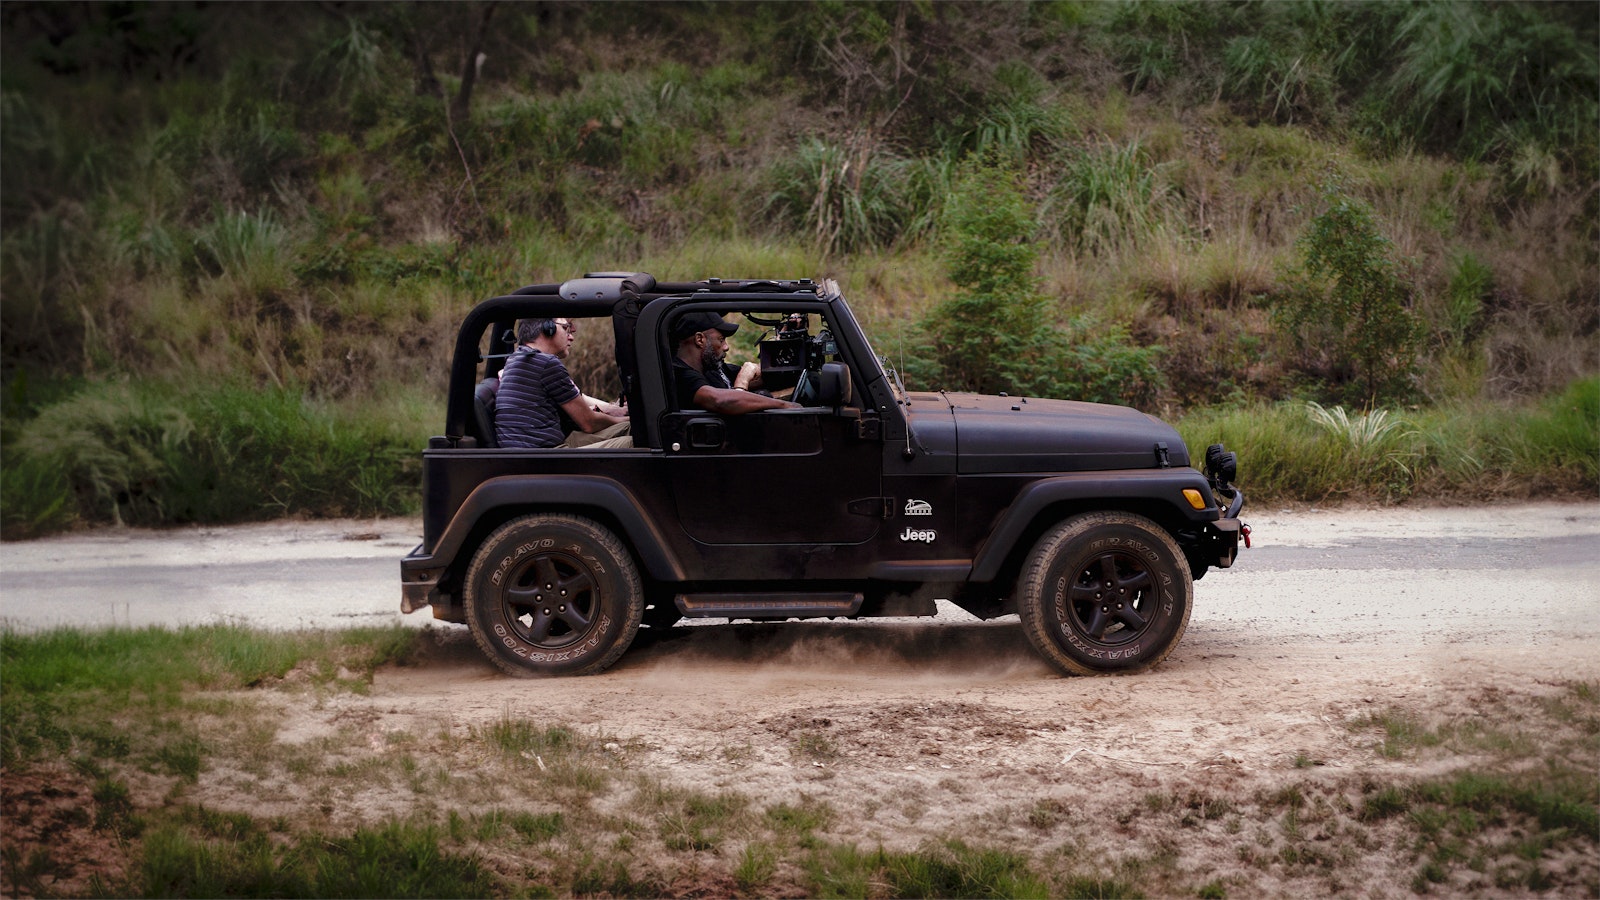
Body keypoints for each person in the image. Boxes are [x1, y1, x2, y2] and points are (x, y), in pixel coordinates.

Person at [495, 317, 631, 449]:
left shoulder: (518, 358)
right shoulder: (546, 363)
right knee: (631, 441)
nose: (571, 337)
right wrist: (624, 420)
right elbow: (589, 423)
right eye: (566, 328)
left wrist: (618, 414)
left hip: (536, 452)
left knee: (630, 428)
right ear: (548, 328)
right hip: (546, 458)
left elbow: (579, 401)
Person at [671, 311, 800, 414]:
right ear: (700, 339)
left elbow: (769, 378)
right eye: (721, 340)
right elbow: (721, 401)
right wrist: (784, 405)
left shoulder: (713, 369)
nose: (726, 347)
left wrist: (784, 338)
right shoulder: (679, 374)